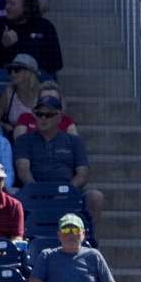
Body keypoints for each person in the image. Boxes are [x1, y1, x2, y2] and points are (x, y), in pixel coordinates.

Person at [13, 95, 104, 223]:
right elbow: (23, 172)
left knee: (95, 197)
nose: (43, 118)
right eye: (39, 114)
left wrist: (65, 192)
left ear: (59, 117)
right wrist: (41, 193)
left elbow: (83, 174)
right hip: (35, 192)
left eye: (49, 115)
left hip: (68, 192)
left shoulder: (73, 141)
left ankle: (90, 238)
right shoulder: (24, 140)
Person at [26, 214, 118, 282]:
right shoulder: (47, 255)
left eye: (75, 230)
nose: (71, 234)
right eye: (66, 230)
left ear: (83, 234)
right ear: (59, 235)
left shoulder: (94, 255)